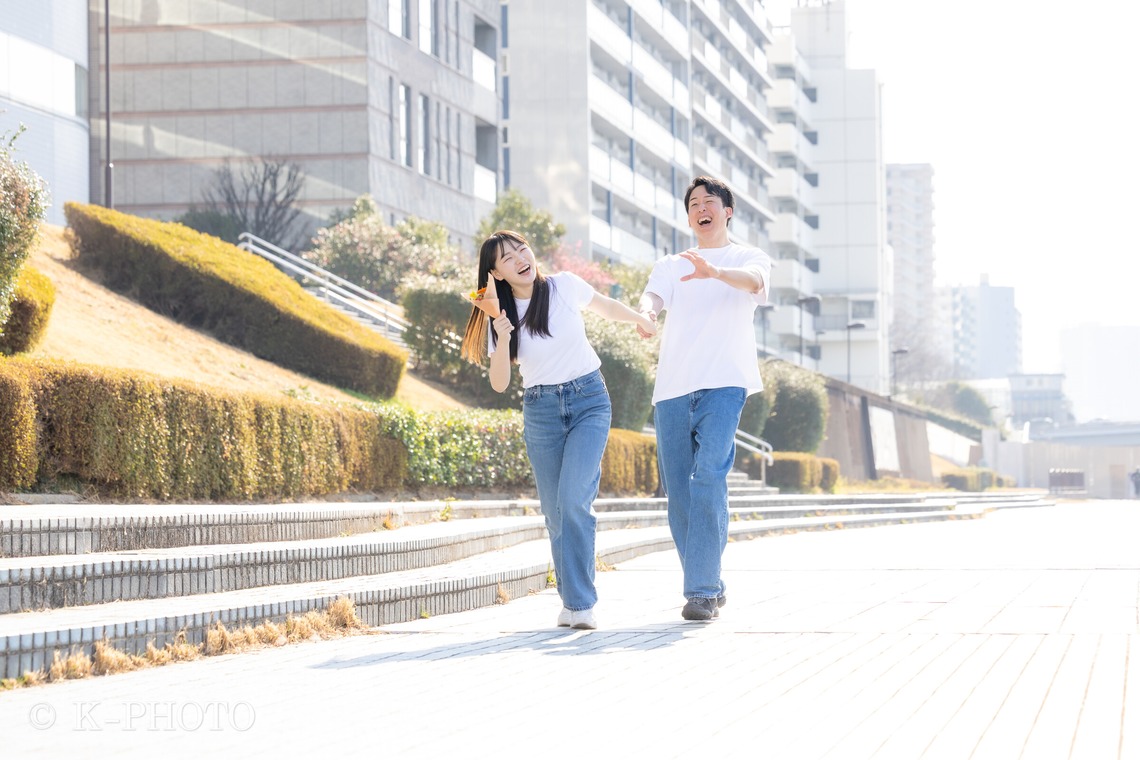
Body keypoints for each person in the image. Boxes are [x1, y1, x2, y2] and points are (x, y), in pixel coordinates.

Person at [460, 230, 657, 630]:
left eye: (522, 249)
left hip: (588, 400)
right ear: (495, 272)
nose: (520, 259)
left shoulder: (564, 286)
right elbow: (499, 383)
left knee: (574, 500)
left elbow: (605, 306)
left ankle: (582, 603)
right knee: (554, 513)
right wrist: (500, 329)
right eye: (507, 257)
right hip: (541, 410)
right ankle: (571, 602)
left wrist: (640, 319)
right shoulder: (500, 313)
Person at [637, 176, 772, 621]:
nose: (700, 208)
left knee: (709, 479)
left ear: (726, 210)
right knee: (679, 494)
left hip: (725, 383)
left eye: (708, 201)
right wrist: (647, 313)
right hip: (673, 388)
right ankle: (711, 581)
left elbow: (754, 282)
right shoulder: (672, 263)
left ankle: (698, 592)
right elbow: (653, 294)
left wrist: (715, 272)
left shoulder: (748, 257)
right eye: (693, 203)